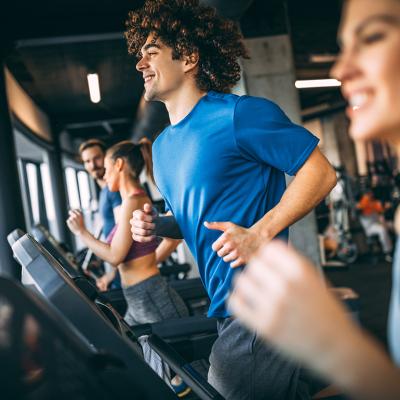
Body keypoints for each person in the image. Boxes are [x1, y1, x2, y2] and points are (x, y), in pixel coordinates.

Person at [127, 1, 337, 398]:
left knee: (225, 389)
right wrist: (161, 225)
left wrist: (259, 234)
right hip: (224, 302)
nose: (140, 64)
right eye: (139, 55)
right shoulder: (163, 147)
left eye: (151, 53)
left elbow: (321, 173)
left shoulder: (240, 115)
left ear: (188, 57)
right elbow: (195, 218)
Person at [228, 1, 400, 399]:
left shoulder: (244, 115)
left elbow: (321, 173)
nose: (341, 69)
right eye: (342, 47)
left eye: (372, 37)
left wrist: (339, 349)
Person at [67, 140, 188, 325]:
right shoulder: (130, 202)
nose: (105, 176)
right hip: (136, 296)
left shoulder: (134, 201)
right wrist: (146, 262)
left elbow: (115, 255)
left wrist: (81, 232)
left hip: (151, 297)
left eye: (107, 169)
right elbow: (170, 242)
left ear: (119, 164)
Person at [79, 139, 122, 290]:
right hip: (116, 264)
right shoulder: (104, 192)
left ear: (106, 157)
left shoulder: (114, 190)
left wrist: (114, 274)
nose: (92, 165)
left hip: (124, 269)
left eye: (96, 158)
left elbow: (124, 232)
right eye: (87, 161)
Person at [357, 189, 393, 260]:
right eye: (369, 194)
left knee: (391, 225)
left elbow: (380, 210)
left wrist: (385, 207)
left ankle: (394, 249)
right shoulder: (364, 201)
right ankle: (388, 252)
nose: (371, 195)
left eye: (371, 193)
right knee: (382, 230)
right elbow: (360, 208)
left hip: (376, 223)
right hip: (369, 227)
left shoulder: (373, 202)